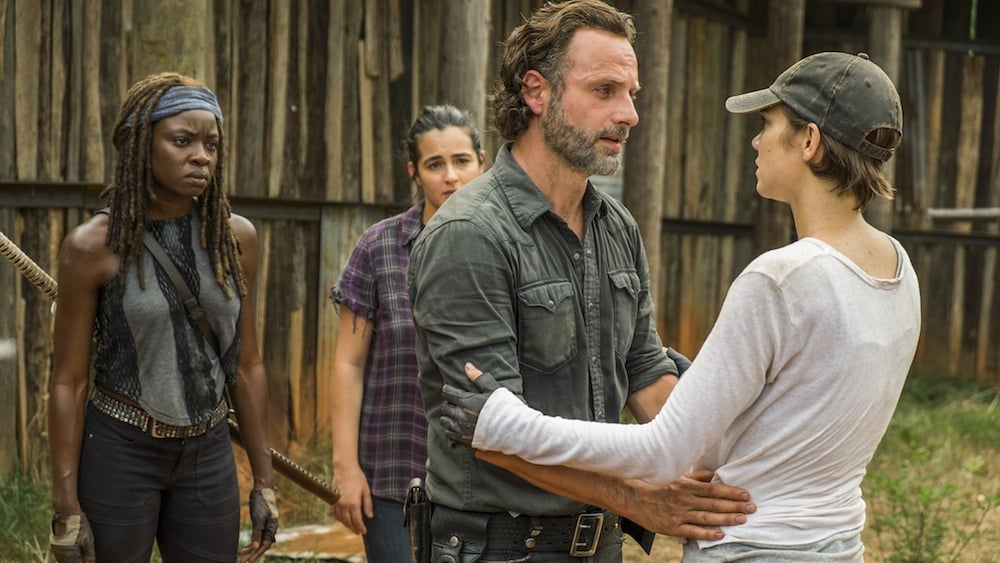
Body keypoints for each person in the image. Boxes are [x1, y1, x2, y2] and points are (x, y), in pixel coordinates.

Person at [443, 52, 921, 562]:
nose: (756, 141)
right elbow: (793, 425)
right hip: (837, 546)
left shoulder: (780, 279)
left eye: (768, 123)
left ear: (809, 141)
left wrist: (506, 426)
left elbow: (662, 452)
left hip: (752, 548)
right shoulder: (897, 269)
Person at [407, 1, 754, 561]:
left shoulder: (616, 226)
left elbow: (645, 373)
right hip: (498, 548)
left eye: (631, 94)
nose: (629, 114)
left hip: (601, 542)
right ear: (537, 92)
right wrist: (638, 497)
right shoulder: (469, 235)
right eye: (604, 91)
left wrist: (733, 458)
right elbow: (494, 434)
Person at [48, 72, 278, 563]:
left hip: (208, 452)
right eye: (182, 141)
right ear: (140, 146)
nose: (201, 156)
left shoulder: (235, 239)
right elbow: (68, 381)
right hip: (120, 449)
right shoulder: (92, 247)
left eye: (211, 144)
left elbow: (247, 365)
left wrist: (264, 483)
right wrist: (66, 507)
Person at [328, 104, 486, 562]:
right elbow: (348, 363)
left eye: (462, 161)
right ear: (414, 172)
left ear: (482, 162)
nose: (451, 176)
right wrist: (346, 466)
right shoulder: (378, 247)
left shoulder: (507, 248)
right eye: (435, 164)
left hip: (487, 481)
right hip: (394, 471)